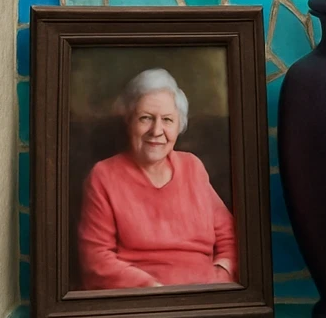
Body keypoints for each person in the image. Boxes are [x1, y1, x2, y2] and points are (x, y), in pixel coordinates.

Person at [78, 68, 237, 290]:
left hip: (206, 296)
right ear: (129, 121)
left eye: (168, 120)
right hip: (142, 301)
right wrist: (155, 291)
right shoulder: (104, 176)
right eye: (146, 118)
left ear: (179, 125)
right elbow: (95, 257)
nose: (157, 130)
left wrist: (221, 275)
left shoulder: (193, 167)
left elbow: (230, 236)